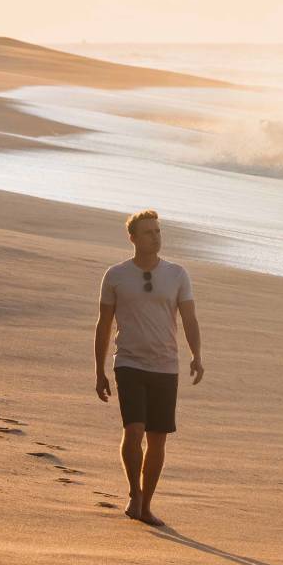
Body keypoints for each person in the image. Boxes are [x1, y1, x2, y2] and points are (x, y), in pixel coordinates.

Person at [94, 209, 203, 526]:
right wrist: (99, 370)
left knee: (157, 439)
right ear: (133, 238)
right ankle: (134, 493)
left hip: (165, 366)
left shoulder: (177, 274)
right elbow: (104, 324)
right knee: (134, 430)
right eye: (148, 232)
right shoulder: (116, 275)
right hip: (129, 362)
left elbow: (189, 318)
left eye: (157, 231)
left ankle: (146, 505)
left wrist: (196, 355)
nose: (155, 237)